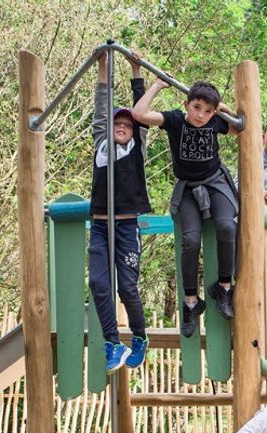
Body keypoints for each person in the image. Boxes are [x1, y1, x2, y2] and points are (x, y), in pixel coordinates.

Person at [132, 77, 238, 337]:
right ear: (186, 104)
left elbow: (239, 127)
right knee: (190, 240)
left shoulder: (214, 122)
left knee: (227, 226)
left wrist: (222, 108)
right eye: (197, 107)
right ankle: (191, 302)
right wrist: (157, 86)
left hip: (215, 181)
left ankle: (224, 287)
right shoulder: (175, 120)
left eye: (208, 111)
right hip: (188, 187)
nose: (201, 115)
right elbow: (139, 114)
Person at [88, 51, 151, 374]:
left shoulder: (137, 145)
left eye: (127, 124)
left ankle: (139, 336)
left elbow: (140, 110)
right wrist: (102, 65)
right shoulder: (101, 141)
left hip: (126, 227)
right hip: (100, 226)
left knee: (127, 287)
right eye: (118, 123)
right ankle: (113, 343)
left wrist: (136, 70)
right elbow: (102, 105)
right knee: (98, 284)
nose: (123, 127)